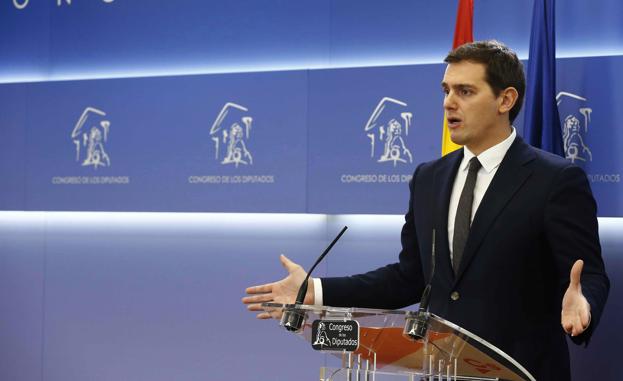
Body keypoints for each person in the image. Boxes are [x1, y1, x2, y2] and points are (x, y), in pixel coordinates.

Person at [242, 40, 609, 380]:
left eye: (465, 92)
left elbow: (588, 274)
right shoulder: (429, 178)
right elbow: (410, 278)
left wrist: (584, 305)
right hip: (440, 370)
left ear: (505, 100)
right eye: (446, 91)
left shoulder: (555, 180)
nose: (449, 103)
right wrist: (314, 291)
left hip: (522, 371)